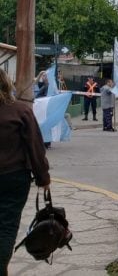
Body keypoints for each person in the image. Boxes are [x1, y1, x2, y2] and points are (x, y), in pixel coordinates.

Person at [0, 68, 51, 274]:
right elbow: (35, 148)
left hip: (13, 177)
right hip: (13, 177)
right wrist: (43, 178)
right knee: (6, 226)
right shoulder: (20, 111)